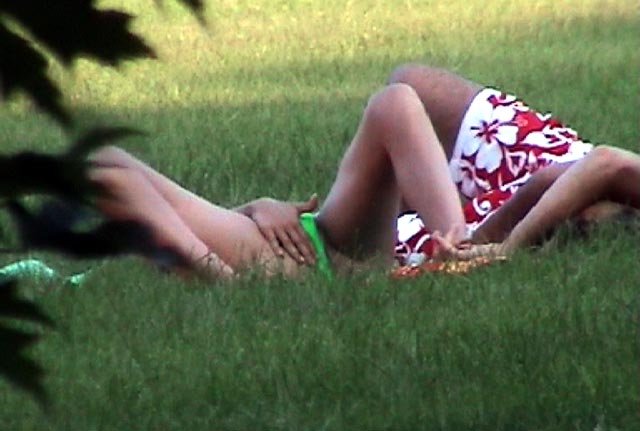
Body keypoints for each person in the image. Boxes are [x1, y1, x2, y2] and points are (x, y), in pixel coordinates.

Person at [88, 65, 640, 279]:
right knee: (396, 100)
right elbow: (565, 177)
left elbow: (108, 177)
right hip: (329, 240)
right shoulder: (509, 232)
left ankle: (221, 285)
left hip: (305, 258)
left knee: (100, 167)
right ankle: (456, 240)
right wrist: (258, 207)